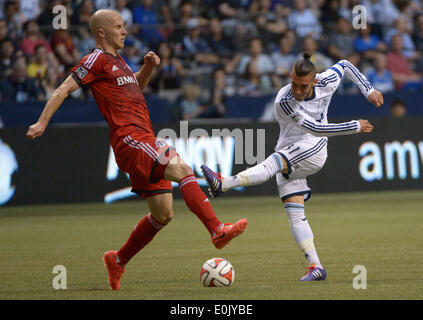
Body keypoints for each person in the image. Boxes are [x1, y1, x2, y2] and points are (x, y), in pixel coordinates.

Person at [25, 9, 247, 291]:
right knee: (183, 169)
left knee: (163, 214)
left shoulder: (120, 62)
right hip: (131, 139)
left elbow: (136, 90)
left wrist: (148, 68)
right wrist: (42, 122)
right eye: (118, 27)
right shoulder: (95, 60)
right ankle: (217, 230)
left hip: (143, 138)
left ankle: (117, 260)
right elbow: (63, 89)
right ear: (102, 32)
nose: (125, 31)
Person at [201, 53, 383, 281]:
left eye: (303, 86)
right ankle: (316, 267)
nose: (297, 90)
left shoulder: (327, 80)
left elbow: (345, 65)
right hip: (293, 147)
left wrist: (368, 90)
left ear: (315, 81)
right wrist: (354, 126)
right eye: (294, 83)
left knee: (273, 162)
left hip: (313, 149)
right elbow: (315, 127)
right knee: (295, 214)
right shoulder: (285, 100)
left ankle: (224, 184)